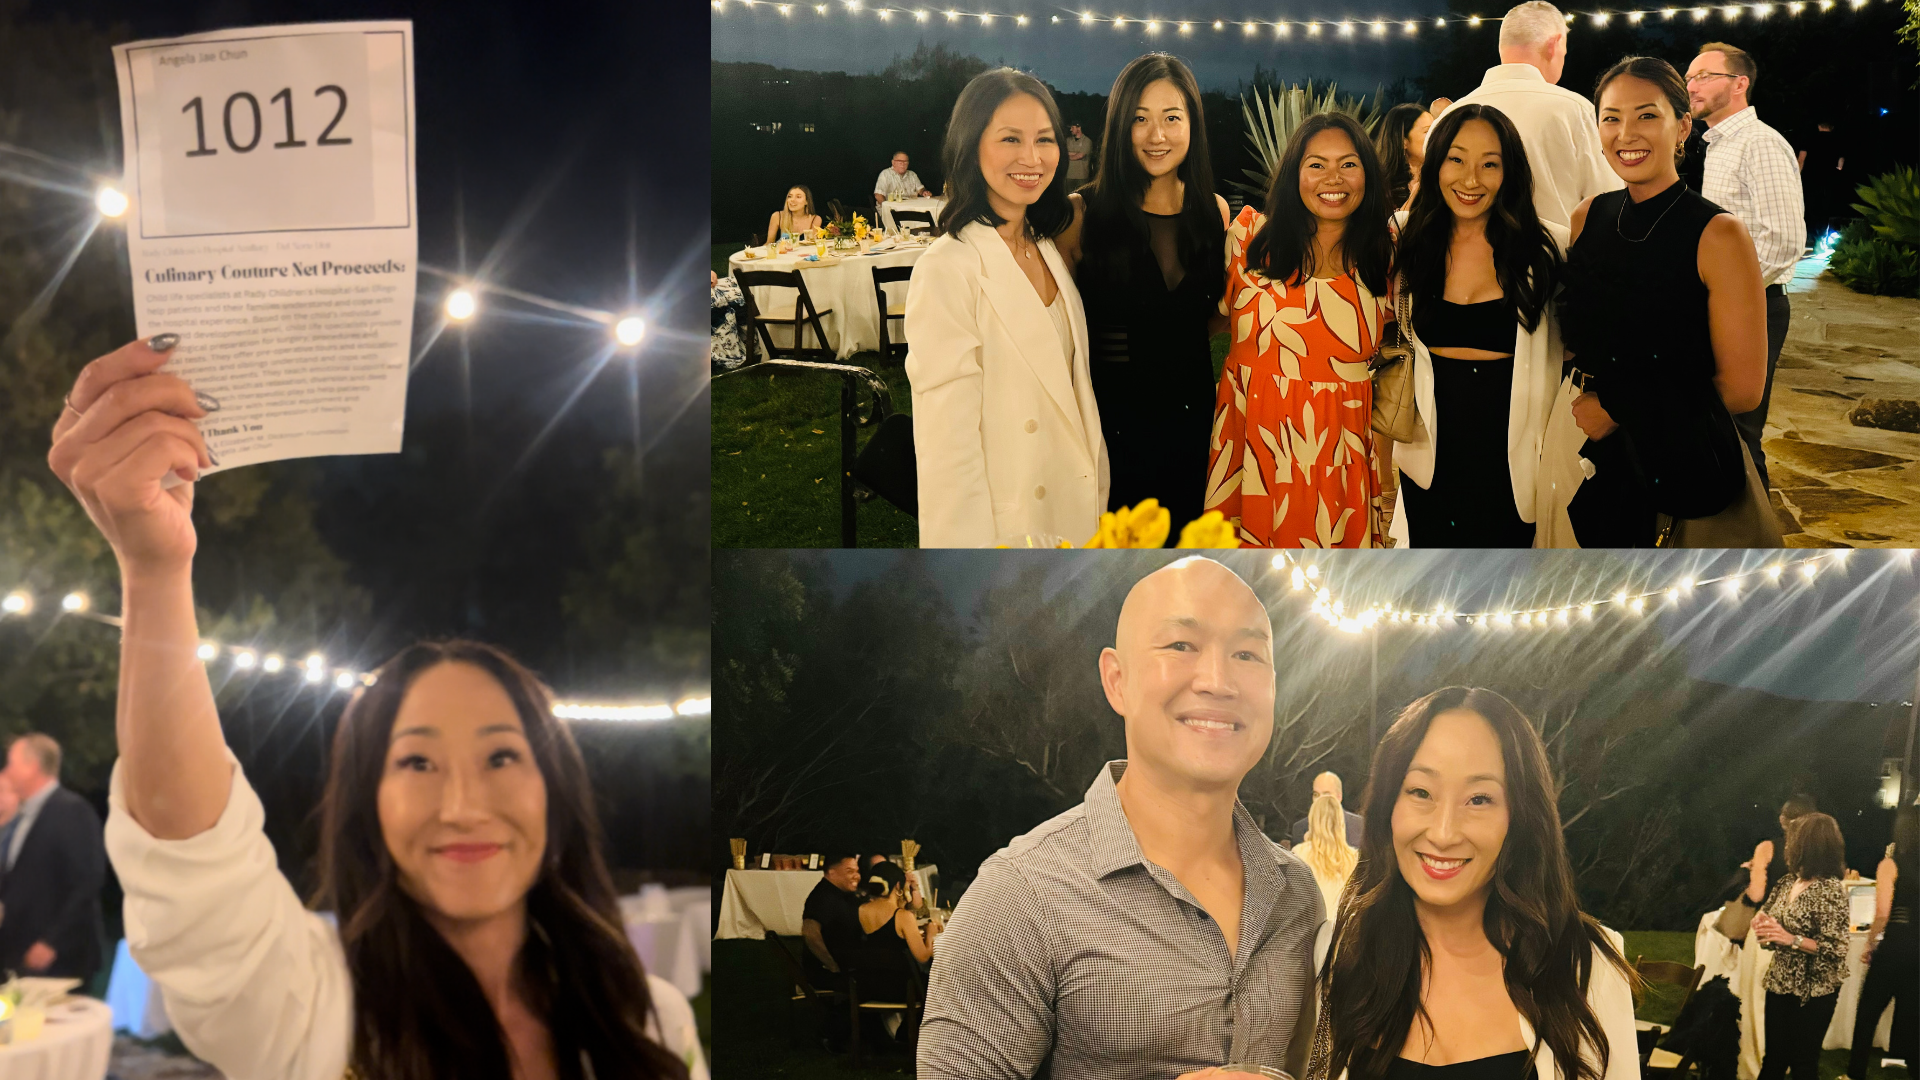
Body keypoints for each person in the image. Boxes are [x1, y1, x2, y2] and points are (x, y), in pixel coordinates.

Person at [48, 337, 705, 1080]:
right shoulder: (317, 1010)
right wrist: (154, 567)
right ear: (370, 804)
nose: (460, 805)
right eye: (417, 761)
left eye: (501, 756)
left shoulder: (650, 1018)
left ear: (555, 791)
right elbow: (195, 874)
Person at [919, 557, 1324, 1079]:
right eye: (1181, 645)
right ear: (1117, 680)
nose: (1218, 680)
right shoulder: (1022, 894)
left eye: (1247, 654)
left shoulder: (1296, 895)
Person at [1321, 687, 1639, 1080]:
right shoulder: (1339, 956)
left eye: (1479, 799)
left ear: (1521, 816)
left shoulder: (1585, 969)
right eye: (1421, 792)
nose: (1443, 832)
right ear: (1389, 805)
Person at [1555, 56, 1773, 547]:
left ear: (1682, 127)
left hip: (1677, 455)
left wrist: (1616, 407)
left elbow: (1742, 388)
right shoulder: (1588, 217)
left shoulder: (1718, 234)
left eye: (1647, 115)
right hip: (1579, 444)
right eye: (1610, 117)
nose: (1626, 133)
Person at [906, 68, 1108, 548]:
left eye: (1044, 139)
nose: (1032, 158)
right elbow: (946, 457)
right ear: (971, 147)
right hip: (1011, 533)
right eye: (1010, 139)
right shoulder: (947, 268)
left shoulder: (1045, 248)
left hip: (1078, 517)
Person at [1058, 53, 1231, 539]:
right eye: (1140, 119)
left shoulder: (1213, 213)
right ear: (1119, 126)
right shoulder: (1081, 215)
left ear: (1192, 124)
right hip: (1111, 430)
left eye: (1172, 118)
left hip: (1195, 422)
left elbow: (1216, 314)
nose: (1158, 136)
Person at [1205, 113, 1395, 548]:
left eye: (1349, 164)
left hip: (1337, 459)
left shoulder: (1385, 252)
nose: (1334, 178)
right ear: (1294, 173)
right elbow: (1204, 319)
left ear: (1367, 173)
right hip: (1252, 448)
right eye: (1317, 165)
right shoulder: (1248, 238)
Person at [1389, 104, 1568, 549]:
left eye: (1490, 164)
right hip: (1429, 452)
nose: (1471, 180)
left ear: (1510, 171)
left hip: (1516, 455)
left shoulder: (1548, 248)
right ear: (1435, 165)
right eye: (1456, 159)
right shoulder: (1405, 240)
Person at [1687, 42, 1805, 496]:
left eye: (1703, 76)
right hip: (1725, 306)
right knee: (1717, 428)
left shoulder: (1760, 143)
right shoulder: (1718, 144)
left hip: (1752, 308)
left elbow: (1784, 243)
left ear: (1739, 84)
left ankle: (1750, 541)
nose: (1691, 85)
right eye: (1690, 76)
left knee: (1738, 433)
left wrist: (1728, 296)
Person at [1433, 1, 1622, 230]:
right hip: (1559, 262)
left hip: (1460, 262)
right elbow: (1609, 203)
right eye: (1564, 52)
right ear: (1554, 45)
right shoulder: (1576, 110)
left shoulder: (1448, 117)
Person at [1750, 812, 1851, 1080]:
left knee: (1803, 1066)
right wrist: (1762, 928)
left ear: (1807, 845)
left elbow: (1836, 948)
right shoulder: (1786, 882)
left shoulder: (1830, 890)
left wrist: (1789, 939)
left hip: (1814, 990)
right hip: (1780, 983)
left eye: (1792, 840)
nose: (1787, 845)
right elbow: (1770, 920)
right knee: (1773, 1062)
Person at [0, 734, 107, 983]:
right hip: (21, 954)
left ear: (32, 766)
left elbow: (87, 881)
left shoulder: (71, 811)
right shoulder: (25, 817)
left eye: (11, 763)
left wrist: (52, 942)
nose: (6, 770)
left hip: (58, 959)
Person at [1845, 804, 1916, 1080]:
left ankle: (1855, 1073)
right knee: (1911, 1014)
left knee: (1868, 1013)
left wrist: (1871, 942)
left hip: (1896, 945)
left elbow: (1883, 912)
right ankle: (1903, 1064)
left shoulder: (1891, 864)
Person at [1714, 793, 1818, 939]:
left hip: (1773, 928)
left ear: (1783, 820)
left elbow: (1756, 895)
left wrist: (1747, 875)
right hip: (1811, 929)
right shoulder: (1824, 850)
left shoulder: (1767, 848)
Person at [848, 861, 943, 1006]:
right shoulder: (902, 916)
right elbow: (923, 956)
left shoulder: (858, 910)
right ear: (898, 886)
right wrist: (930, 934)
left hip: (866, 987)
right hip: (902, 990)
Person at [801, 851, 864, 987]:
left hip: (851, 965)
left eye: (857, 871)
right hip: (830, 974)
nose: (856, 876)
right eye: (849, 871)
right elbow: (809, 932)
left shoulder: (845, 894)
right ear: (832, 872)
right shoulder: (822, 897)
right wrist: (832, 966)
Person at [1293, 793, 1359, 917]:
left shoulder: (1300, 854)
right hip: (1343, 930)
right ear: (1340, 821)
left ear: (1313, 820)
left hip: (1313, 931)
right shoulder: (1354, 858)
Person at [1375, 103, 1434, 212]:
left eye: (1436, 129)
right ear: (1403, 141)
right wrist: (1415, 194)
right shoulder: (1380, 186)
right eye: (1427, 131)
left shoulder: (1441, 176)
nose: (1435, 136)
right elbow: (1393, 227)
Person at [1796, 120, 1845, 246]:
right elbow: (1840, 163)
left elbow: (1801, 159)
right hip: (1828, 179)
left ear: (1818, 125)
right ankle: (1820, 240)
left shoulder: (1809, 138)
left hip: (1810, 178)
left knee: (1810, 207)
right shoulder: (1837, 140)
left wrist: (1796, 177)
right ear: (1832, 127)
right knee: (1824, 210)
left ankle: (1808, 237)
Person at [1288, 770, 1365, 847]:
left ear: (1339, 797)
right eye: (1316, 794)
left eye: (1326, 794)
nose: (1320, 799)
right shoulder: (1300, 828)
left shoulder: (1359, 826)